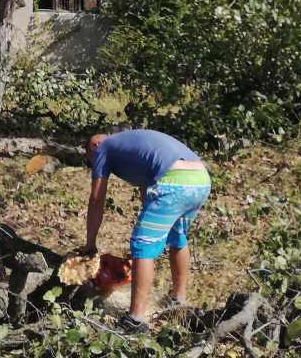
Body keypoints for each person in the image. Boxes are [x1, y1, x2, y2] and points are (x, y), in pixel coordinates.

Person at [80, 128, 211, 334]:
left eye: (90, 160)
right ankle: (178, 300)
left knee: (142, 245)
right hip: (200, 179)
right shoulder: (130, 144)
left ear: (94, 146)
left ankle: (135, 320)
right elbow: (147, 190)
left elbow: (97, 199)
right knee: (177, 237)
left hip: (174, 182)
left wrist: (90, 244)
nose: (93, 166)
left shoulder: (102, 148)